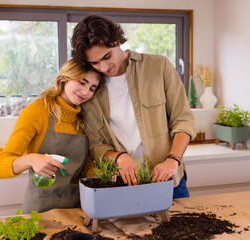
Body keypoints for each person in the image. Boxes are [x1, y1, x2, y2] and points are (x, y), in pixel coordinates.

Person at [71, 14, 196, 198]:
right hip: (121, 185)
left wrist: (173, 159)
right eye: (95, 63)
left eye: (107, 56)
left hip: (168, 181)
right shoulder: (90, 89)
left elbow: (183, 120)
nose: (104, 67)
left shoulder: (159, 66)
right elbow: (96, 145)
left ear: (117, 41)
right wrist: (119, 158)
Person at [0, 59, 104, 213]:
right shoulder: (37, 112)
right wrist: (32, 159)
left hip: (77, 207)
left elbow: (85, 165)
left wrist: (103, 178)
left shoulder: (84, 118)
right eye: (82, 82)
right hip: (40, 209)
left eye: (92, 88)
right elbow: (0, 168)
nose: (86, 92)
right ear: (65, 78)